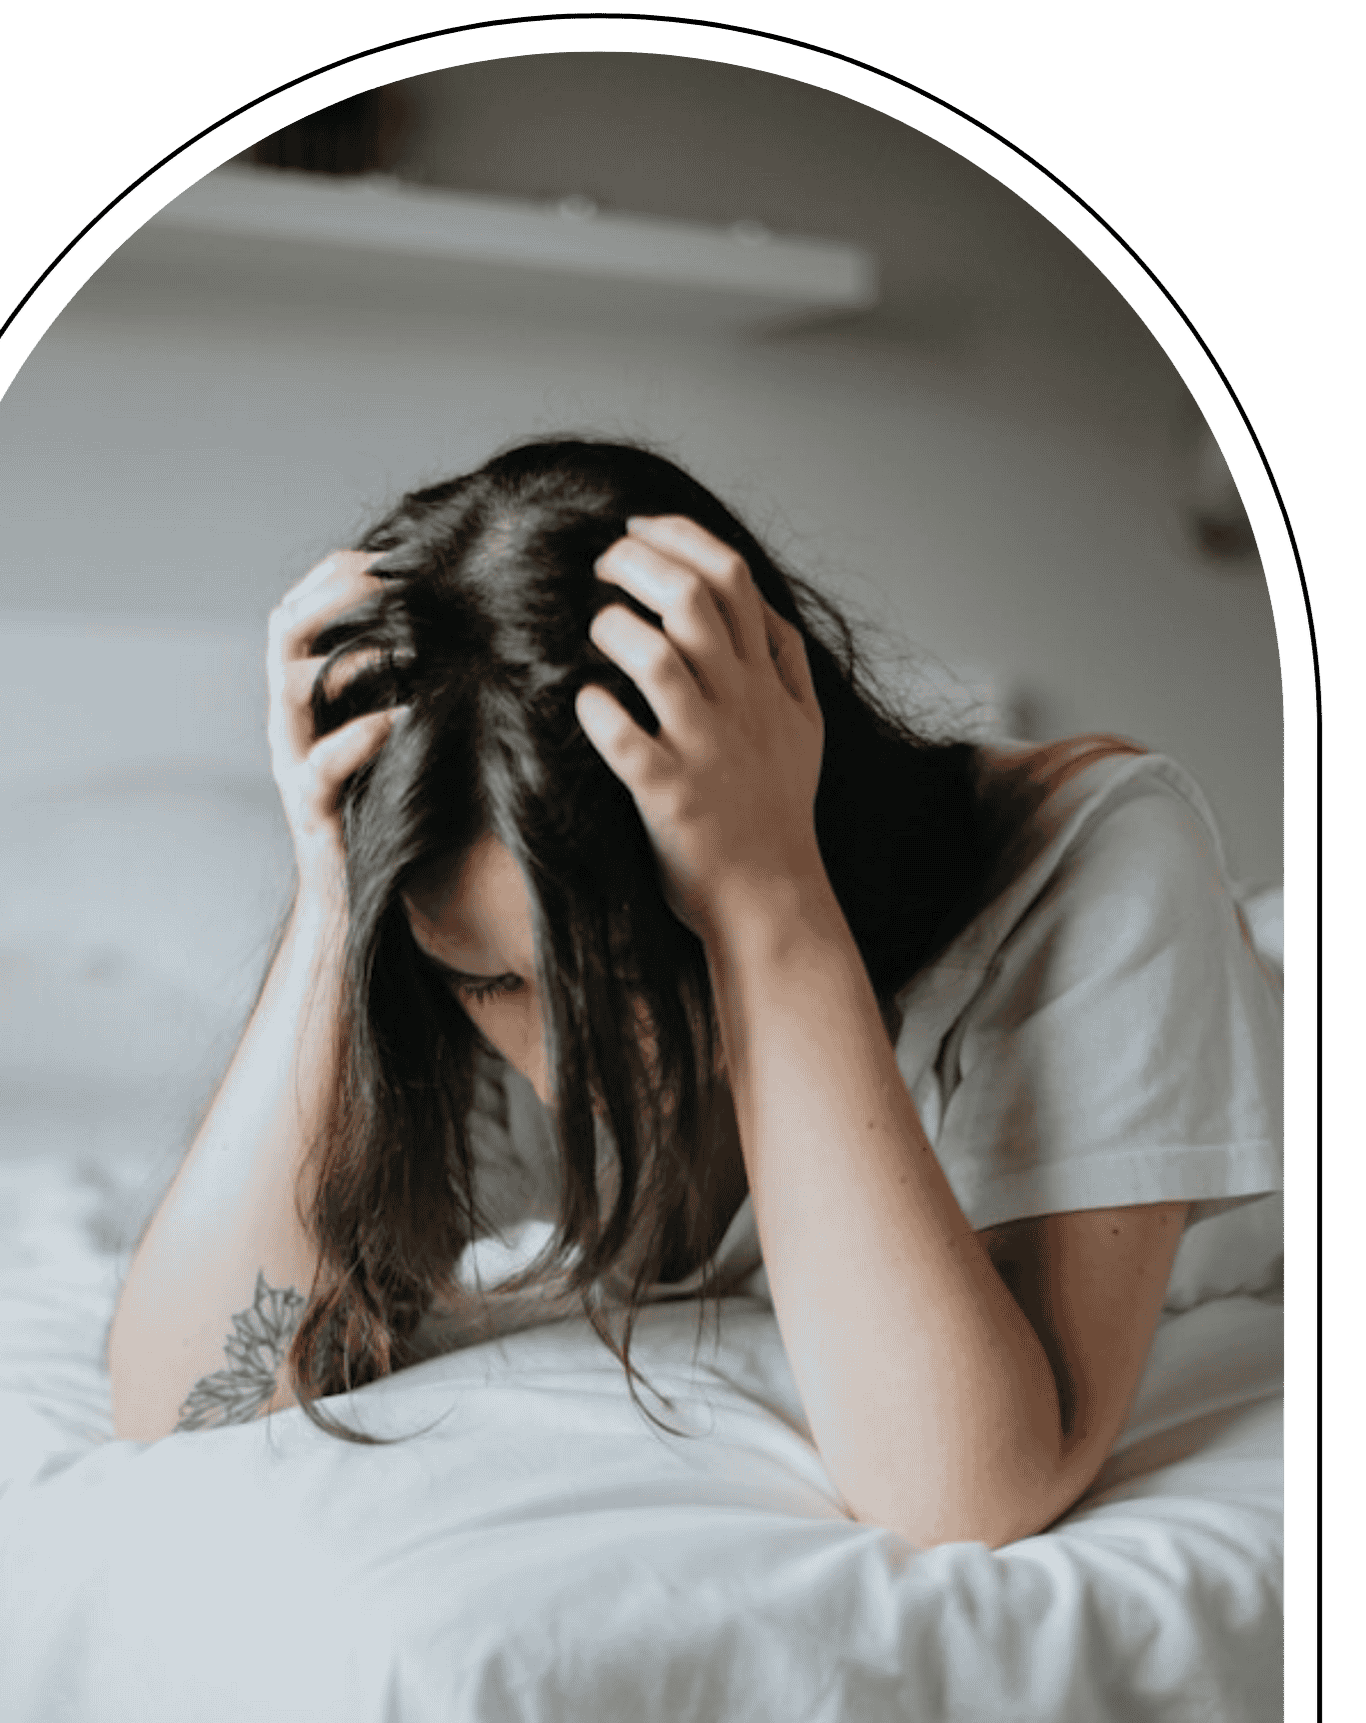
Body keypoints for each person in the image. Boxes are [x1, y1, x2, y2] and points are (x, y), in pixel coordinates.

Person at [107, 438, 1282, 1551]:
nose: (562, 1071)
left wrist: (767, 895)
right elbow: (192, 1407)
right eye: (489, 982)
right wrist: (331, 903)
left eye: (620, 976)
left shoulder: (1099, 858)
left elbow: (962, 1489)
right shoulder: (433, 941)